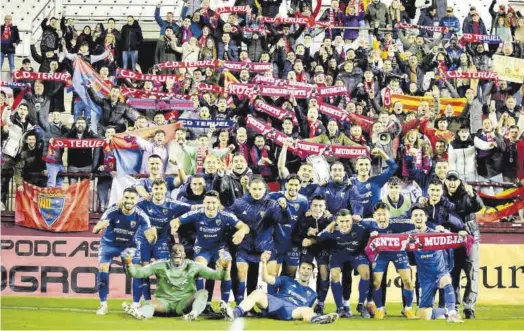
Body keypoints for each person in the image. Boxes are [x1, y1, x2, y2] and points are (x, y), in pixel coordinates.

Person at [171, 190, 250, 305]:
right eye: (208, 203)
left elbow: (245, 226)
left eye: (213, 203)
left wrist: (242, 231)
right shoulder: (197, 213)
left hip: (220, 248)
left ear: (218, 203)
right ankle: (200, 302)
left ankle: (224, 304)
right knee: (198, 268)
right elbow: (175, 221)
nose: (211, 206)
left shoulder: (225, 215)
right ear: (204, 203)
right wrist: (175, 226)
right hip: (202, 248)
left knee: (226, 268)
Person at [221, 252, 339, 324]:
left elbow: (303, 311)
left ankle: (318, 319)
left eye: (309, 269)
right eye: (303, 268)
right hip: (275, 303)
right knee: (257, 293)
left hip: (292, 311)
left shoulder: (313, 294)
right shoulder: (286, 280)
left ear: (312, 273)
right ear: (298, 270)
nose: (305, 271)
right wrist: (263, 263)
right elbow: (266, 279)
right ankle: (234, 313)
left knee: (307, 310)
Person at [122, 243, 232, 321]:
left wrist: (225, 265)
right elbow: (136, 273)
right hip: (164, 303)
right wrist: (128, 262)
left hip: (184, 303)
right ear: (170, 254)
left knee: (203, 293)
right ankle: (141, 314)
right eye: (174, 251)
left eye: (180, 251)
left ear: (184, 254)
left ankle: (193, 314)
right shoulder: (160, 265)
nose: (177, 253)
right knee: (150, 303)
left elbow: (218, 275)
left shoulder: (194, 266)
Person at [92, 187, 157, 315]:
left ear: (137, 200)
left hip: (128, 247)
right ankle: (103, 305)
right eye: (126, 197)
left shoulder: (142, 216)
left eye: (132, 198)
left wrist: (154, 236)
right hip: (109, 245)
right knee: (103, 267)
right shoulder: (112, 210)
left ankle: (135, 305)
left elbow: (151, 240)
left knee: (136, 272)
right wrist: (100, 226)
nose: (129, 201)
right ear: (122, 198)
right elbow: (95, 230)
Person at [130, 178, 193, 309]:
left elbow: (192, 207)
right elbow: (127, 204)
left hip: (162, 241)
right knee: (141, 271)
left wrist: (209, 206)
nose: (158, 191)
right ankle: (138, 303)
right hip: (143, 240)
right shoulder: (142, 203)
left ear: (165, 190)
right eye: (156, 189)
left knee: (163, 273)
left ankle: (163, 302)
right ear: (151, 190)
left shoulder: (172, 204)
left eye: (161, 189)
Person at [408, 204, 465, 323]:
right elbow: (393, 243)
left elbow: (453, 238)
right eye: (415, 215)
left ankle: (452, 313)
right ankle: (443, 311)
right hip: (425, 279)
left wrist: (460, 235)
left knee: (446, 280)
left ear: (426, 217)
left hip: (440, 272)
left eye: (421, 215)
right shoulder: (409, 237)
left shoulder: (436, 233)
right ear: (411, 219)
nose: (418, 217)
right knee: (424, 315)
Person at [315, 209, 372, 318]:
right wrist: (329, 226)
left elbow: (374, 228)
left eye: (347, 221)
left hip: (355, 254)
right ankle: (340, 308)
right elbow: (318, 238)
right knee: (334, 274)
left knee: (365, 273)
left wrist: (361, 220)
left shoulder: (360, 228)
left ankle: (361, 305)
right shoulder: (331, 231)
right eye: (341, 221)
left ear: (352, 220)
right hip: (338, 255)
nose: (345, 224)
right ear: (337, 221)